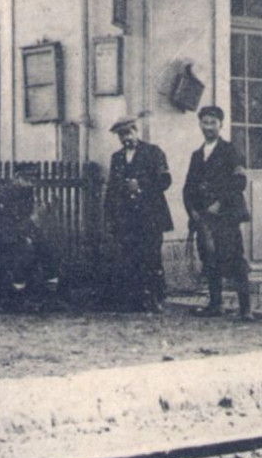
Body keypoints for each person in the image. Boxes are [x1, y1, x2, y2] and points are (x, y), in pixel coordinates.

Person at [183, 105, 253, 320]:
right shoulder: (197, 155)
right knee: (209, 259)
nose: (209, 127)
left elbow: (239, 181)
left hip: (226, 216)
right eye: (205, 122)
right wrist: (192, 210)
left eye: (213, 122)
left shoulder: (230, 150)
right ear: (200, 125)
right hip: (203, 217)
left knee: (235, 260)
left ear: (221, 124)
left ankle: (245, 309)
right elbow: (188, 187)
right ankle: (215, 304)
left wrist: (220, 202)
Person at [103, 116, 174, 312]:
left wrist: (141, 185)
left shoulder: (153, 152)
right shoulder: (117, 158)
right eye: (121, 135)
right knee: (129, 258)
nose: (125, 138)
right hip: (126, 218)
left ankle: (156, 299)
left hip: (150, 216)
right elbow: (112, 189)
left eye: (128, 133)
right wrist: (109, 216)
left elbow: (165, 181)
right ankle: (134, 300)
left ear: (136, 131)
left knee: (151, 257)